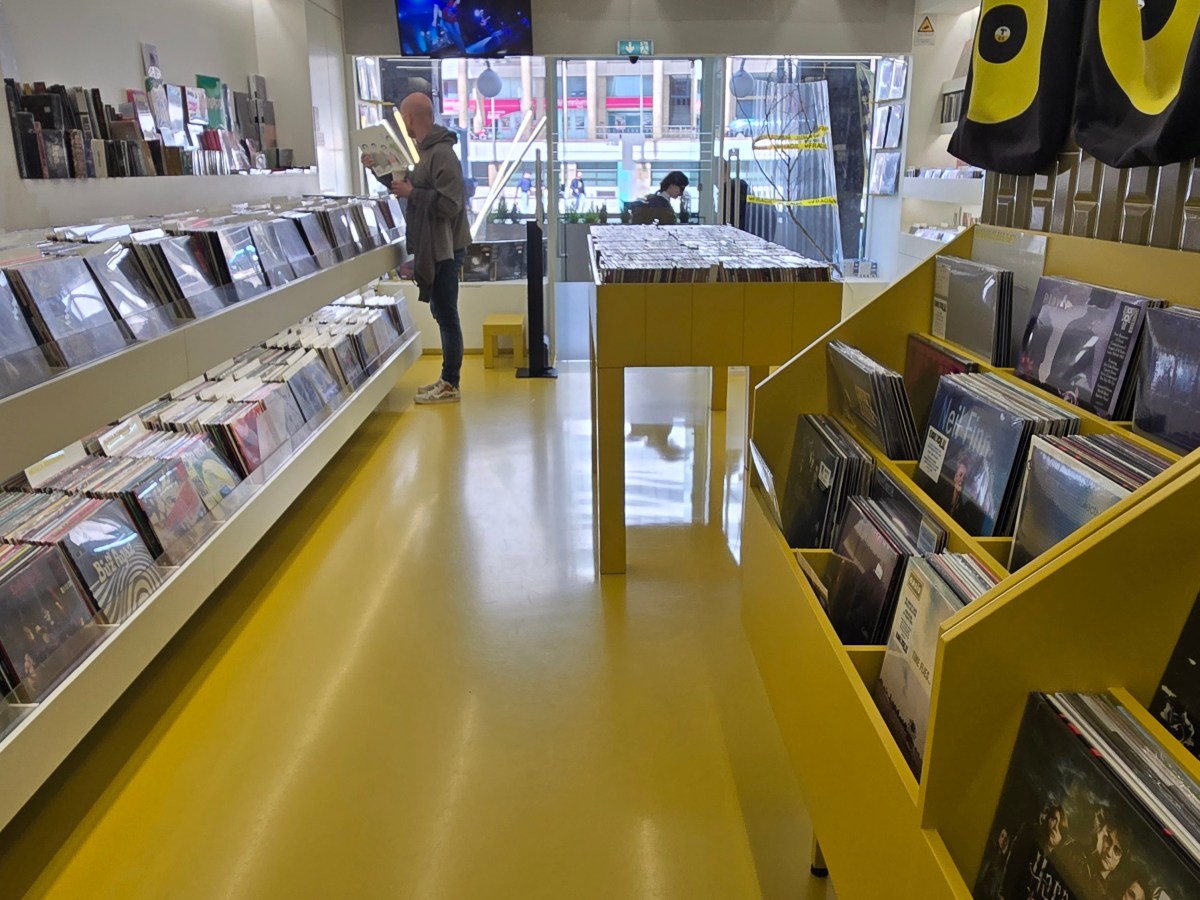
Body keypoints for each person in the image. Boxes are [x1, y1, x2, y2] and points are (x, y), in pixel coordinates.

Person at [363, 93, 469, 404]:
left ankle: (451, 383)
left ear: (409, 118)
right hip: (436, 246)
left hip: (446, 248)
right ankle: (447, 379)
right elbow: (409, 186)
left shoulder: (442, 154)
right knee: (442, 313)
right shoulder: (428, 153)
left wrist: (413, 193)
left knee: (447, 314)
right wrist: (377, 170)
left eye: (403, 118)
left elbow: (450, 204)